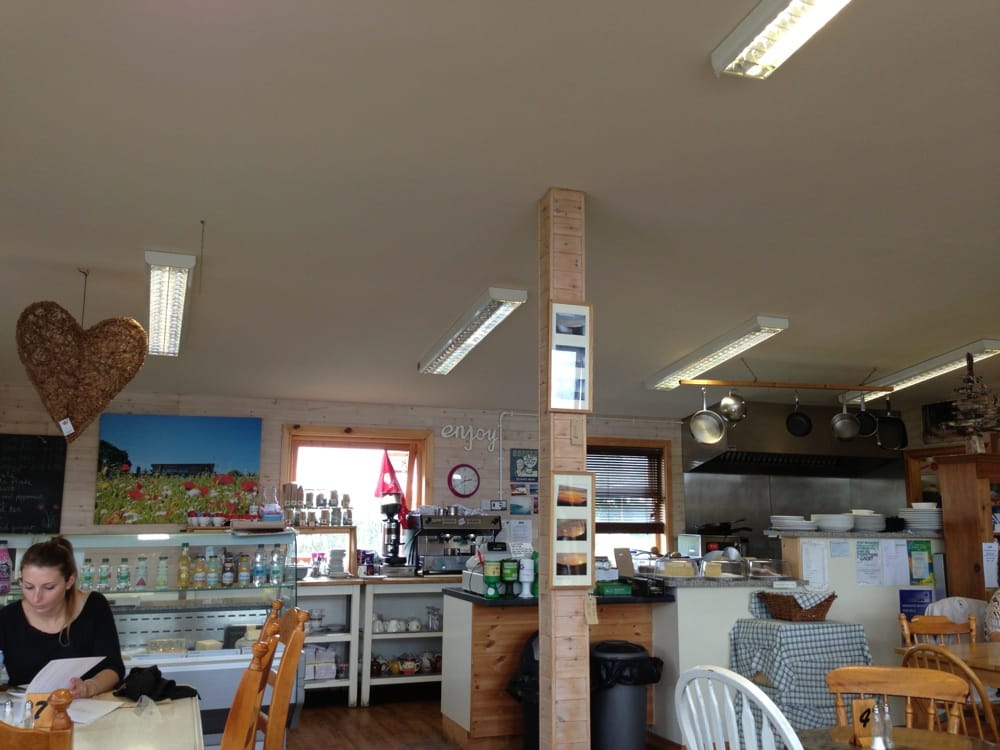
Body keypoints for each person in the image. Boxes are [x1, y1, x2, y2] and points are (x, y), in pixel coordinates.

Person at [0, 536, 125, 697]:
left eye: (49, 587)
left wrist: (89, 687)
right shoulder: (7, 618)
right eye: (28, 587)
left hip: (85, 706)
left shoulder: (94, 606)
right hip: (24, 709)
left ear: (69, 581)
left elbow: (113, 667)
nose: (36, 598)